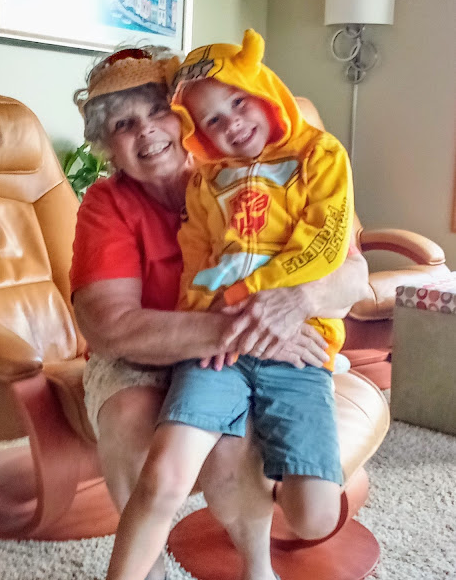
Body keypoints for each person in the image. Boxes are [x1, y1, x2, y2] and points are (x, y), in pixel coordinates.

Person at [71, 44, 368, 580]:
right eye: (123, 124)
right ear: (107, 147)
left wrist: (298, 303)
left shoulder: (253, 169)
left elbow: (352, 274)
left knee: (235, 450)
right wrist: (248, 329)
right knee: (133, 422)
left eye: (157, 111)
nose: (146, 131)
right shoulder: (106, 205)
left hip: (246, 348)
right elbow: (111, 328)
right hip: (143, 352)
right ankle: (148, 569)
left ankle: (256, 567)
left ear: (184, 119)